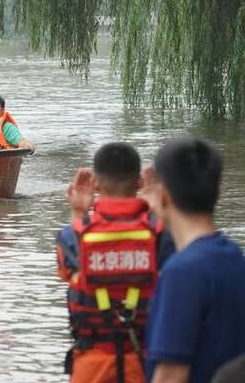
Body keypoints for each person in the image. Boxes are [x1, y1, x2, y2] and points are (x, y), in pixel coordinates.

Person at [55, 142, 175, 383]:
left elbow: (68, 269)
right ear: (140, 182)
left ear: (96, 184)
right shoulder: (161, 236)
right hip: (145, 365)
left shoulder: (72, 236)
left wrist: (78, 212)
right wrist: (158, 212)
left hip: (90, 368)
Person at [142, 138, 245, 383]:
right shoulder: (234, 257)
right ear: (218, 191)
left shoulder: (181, 272)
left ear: (163, 195)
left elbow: (171, 376)